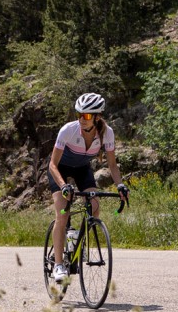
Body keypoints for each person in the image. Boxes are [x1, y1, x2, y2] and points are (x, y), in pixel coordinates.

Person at [47, 92, 128, 283]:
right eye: (79, 115)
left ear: (97, 117)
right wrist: (63, 185)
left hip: (82, 169)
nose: (82, 119)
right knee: (62, 214)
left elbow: (112, 165)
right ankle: (59, 264)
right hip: (60, 169)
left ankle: (77, 240)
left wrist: (121, 185)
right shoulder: (68, 130)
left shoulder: (107, 133)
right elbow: (52, 165)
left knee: (95, 207)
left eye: (87, 116)